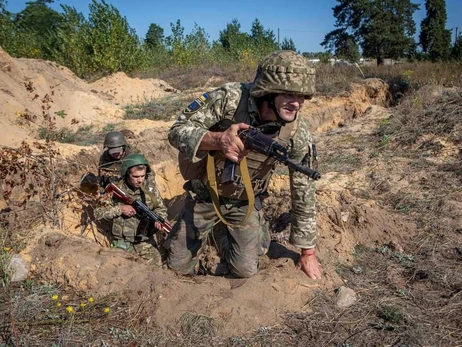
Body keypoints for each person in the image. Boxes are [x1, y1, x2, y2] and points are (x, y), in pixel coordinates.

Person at [165, 50, 321, 279]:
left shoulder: (297, 130)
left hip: (244, 202)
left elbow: (304, 188)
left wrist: (308, 252)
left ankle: (234, 232)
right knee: (177, 267)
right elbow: (176, 131)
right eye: (289, 94)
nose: (297, 103)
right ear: (268, 92)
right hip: (205, 194)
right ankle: (208, 227)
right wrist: (218, 140)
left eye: (303, 97)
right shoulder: (230, 98)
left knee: (245, 270)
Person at [94, 153, 168, 266]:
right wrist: (120, 209)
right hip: (122, 242)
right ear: (127, 174)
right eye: (136, 177)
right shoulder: (116, 189)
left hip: (144, 242)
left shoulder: (150, 190)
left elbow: (160, 208)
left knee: (156, 267)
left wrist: (159, 219)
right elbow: (98, 213)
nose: (140, 180)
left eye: (142, 176)